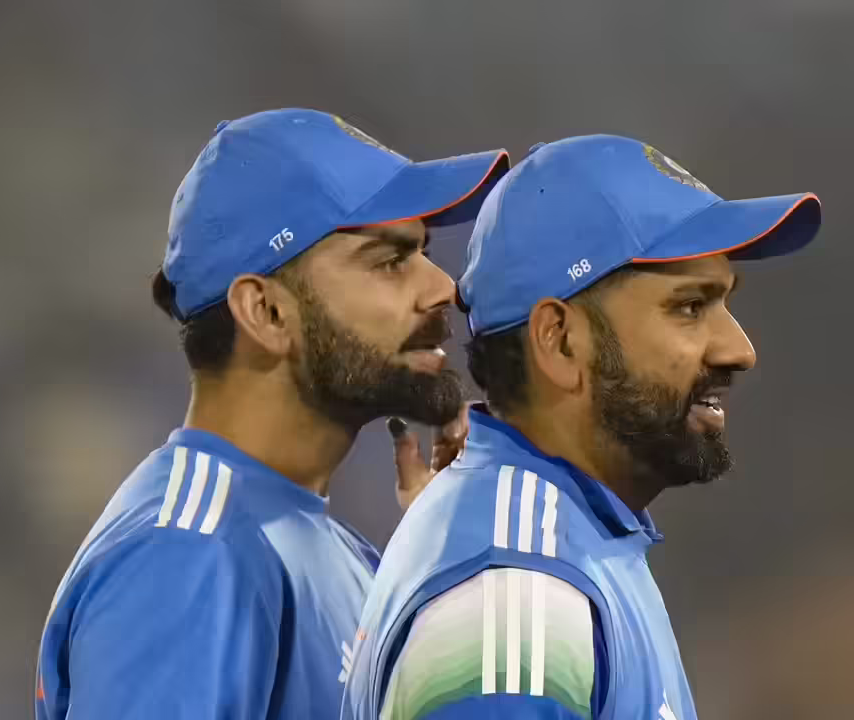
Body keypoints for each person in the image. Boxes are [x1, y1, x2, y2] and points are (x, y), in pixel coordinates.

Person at [34, 108, 509, 720]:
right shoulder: (187, 557)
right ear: (266, 312)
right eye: (390, 260)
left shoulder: (327, 548)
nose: (444, 286)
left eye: (422, 251)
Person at [341, 135, 822, 719]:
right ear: (561, 340)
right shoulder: (517, 593)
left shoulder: (571, 541)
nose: (739, 349)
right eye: (690, 307)